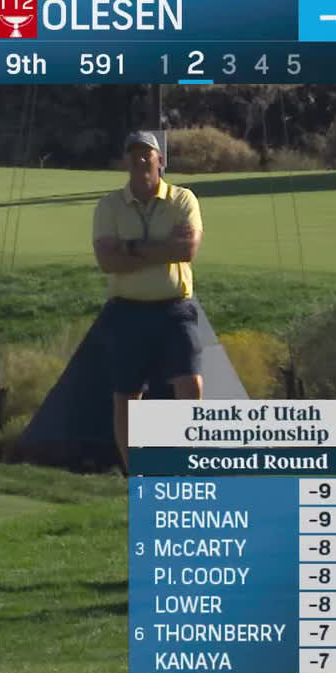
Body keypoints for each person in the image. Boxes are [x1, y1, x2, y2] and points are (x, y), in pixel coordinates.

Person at [91, 130, 206, 472]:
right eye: (134, 153)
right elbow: (107, 262)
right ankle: (135, 474)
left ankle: (183, 463)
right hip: (126, 311)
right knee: (127, 396)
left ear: (161, 160)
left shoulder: (183, 199)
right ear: (125, 161)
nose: (141, 159)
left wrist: (130, 247)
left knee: (190, 383)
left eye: (147, 154)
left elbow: (186, 250)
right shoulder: (109, 205)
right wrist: (160, 249)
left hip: (174, 309)